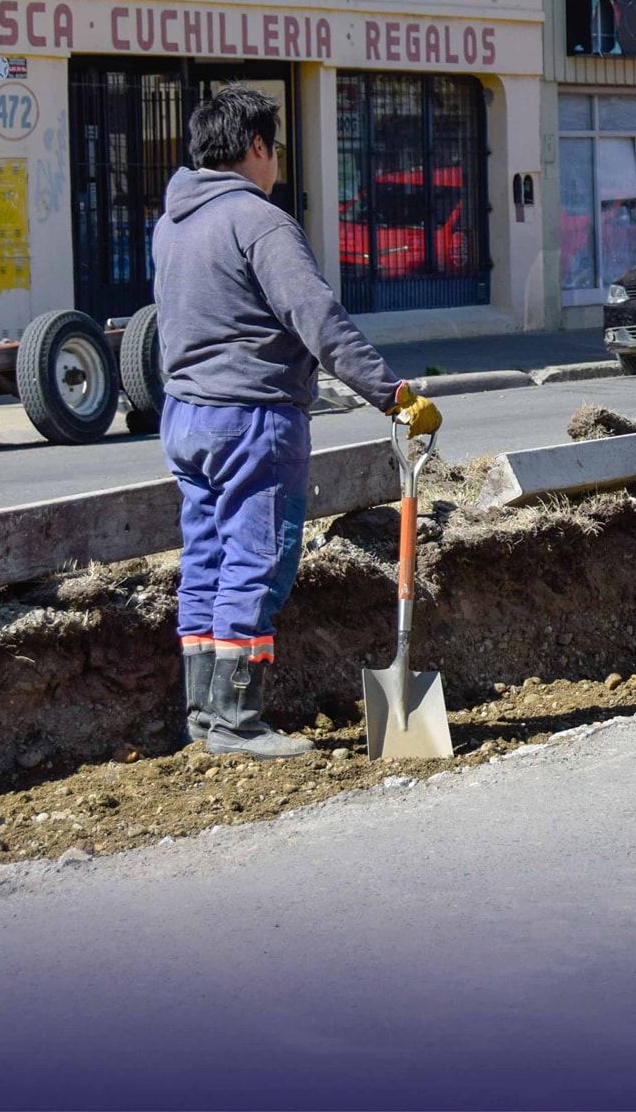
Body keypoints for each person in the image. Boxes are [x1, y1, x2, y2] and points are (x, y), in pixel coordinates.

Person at [153, 87, 441, 759]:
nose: (275, 161)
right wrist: (394, 397)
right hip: (252, 416)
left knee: (205, 561)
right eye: (274, 148)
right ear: (256, 147)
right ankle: (237, 720)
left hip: (186, 417)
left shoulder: (170, 224)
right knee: (255, 558)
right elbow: (319, 322)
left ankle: (203, 713)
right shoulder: (259, 222)